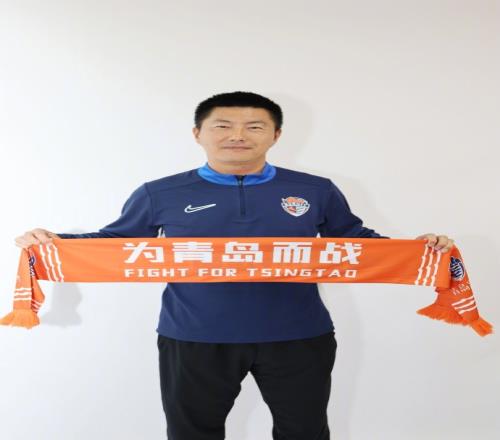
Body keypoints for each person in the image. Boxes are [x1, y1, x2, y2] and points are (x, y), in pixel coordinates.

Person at [15, 91, 455, 440]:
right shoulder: (160, 193)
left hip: (298, 335)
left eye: (254, 126)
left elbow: (355, 242)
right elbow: (117, 243)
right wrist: (53, 242)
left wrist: (422, 249)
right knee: (192, 434)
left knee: (304, 432)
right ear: (198, 134)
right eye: (223, 125)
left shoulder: (315, 190)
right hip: (194, 335)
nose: (238, 135)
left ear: (276, 135)